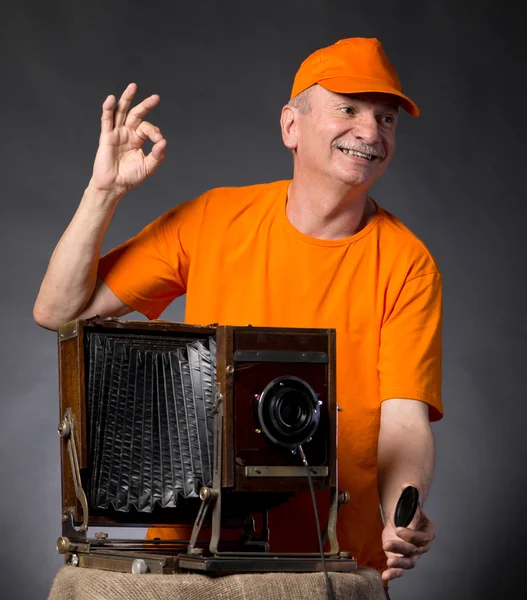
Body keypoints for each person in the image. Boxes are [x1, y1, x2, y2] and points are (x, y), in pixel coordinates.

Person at [34, 37, 442, 590]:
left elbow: (404, 422)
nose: (370, 132)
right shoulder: (213, 220)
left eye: (386, 118)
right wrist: (103, 192)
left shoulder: (407, 263)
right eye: (348, 109)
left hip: (329, 559)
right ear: (291, 127)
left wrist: (402, 514)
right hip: (191, 555)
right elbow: (60, 312)